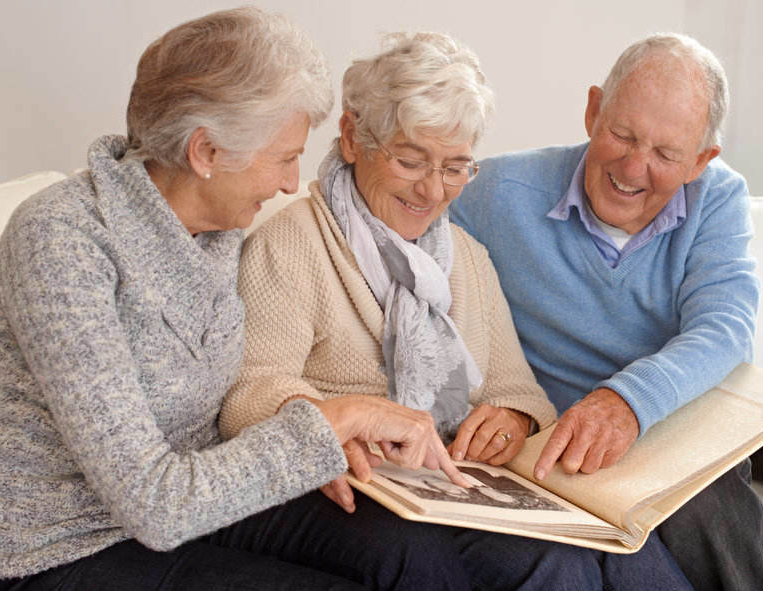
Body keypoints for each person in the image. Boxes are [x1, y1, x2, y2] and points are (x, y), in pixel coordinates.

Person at [0, 8, 467, 590]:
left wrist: (315, 441)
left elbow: (214, 441)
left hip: (200, 505)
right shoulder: (60, 240)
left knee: (408, 552)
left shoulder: (216, 229)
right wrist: (332, 420)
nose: (289, 183)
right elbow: (154, 501)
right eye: (283, 157)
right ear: (204, 152)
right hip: (59, 548)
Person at [221, 31, 692, 590]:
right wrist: (330, 426)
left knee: (621, 555)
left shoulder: (466, 257)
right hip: (349, 485)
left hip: (447, 485)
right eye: (411, 160)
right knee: (512, 564)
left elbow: (520, 394)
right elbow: (248, 393)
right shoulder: (293, 240)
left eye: (455, 168)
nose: (432, 190)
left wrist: (510, 421)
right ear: (352, 138)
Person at [449, 32, 763, 590]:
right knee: (707, 500)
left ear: (703, 160)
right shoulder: (495, 192)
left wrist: (629, 401)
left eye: (665, 154)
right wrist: (505, 404)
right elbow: (419, 281)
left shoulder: (718, 197)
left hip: (680, 411)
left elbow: (725, 326)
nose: (633, 168)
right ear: (592, 110)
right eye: (621, 135)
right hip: (571, 437)